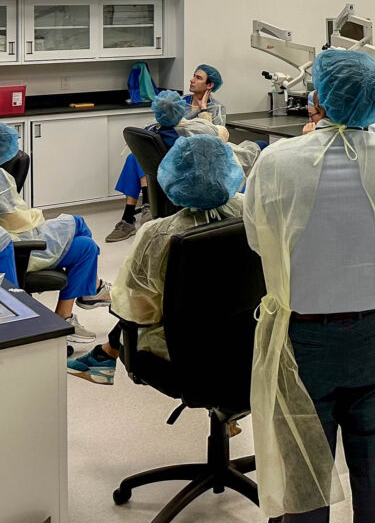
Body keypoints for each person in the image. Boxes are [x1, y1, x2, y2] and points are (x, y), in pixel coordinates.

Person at [243, 49, 375, 523]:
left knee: (306, 469)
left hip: (305, 340)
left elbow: (257, 239)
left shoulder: (278, 160)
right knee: (374, 465)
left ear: (317, 100)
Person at [67, 135, 245, 385]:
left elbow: (134, 310)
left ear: (172, 178)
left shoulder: (159, 234)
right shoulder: (253, 213)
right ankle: (104, 354)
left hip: (186, 347)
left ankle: (105, 354)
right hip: (251, 338)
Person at [0, 123, 110, 344]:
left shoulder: (2, 174)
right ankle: (93, 288)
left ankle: (65, 318)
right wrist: (37, 217)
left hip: (18, 240)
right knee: (77, 222)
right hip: (18, 246)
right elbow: (17, 221)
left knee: (86, 248)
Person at [106, 90, 221, 243]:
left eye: (198, 77)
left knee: (133, 158)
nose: (193, 80)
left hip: (162, 181)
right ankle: (142, 208)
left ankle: (131, 215)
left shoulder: (150, 131)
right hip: (177, 180)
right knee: (134, 158)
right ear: (180, 110)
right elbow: (216, 133)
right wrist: (203, 111)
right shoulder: (188, 134)